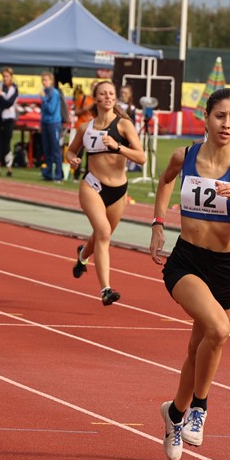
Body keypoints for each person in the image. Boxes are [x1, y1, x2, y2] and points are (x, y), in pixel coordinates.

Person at [148, 87, 230, 460]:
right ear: (206, 117)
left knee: (197, 349)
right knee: (218, 330)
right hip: (186, 261)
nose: (226, 124)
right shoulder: (184, 155)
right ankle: (199, 408)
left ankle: (174, 414)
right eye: (220, 116)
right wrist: (158, 222)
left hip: (224, 267)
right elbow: (166, 180)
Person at [66, 79, 144, 306]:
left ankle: (83, 255)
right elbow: (71, 151)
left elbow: (141, 157)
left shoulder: (124, 125)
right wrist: (72, 159)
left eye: (111, 93)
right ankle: (106, 290)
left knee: (102, 235)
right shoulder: (85, 128)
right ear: (96, 98)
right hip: (93, 185)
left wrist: (118, 146)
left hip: (118, 190)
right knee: (103, 232)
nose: (108, 96)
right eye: (103, 93)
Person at [0, 67, 19, 177]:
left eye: (7, 76)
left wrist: (0, 94)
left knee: (6, 143)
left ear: (11, 77)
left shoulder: (14, 88)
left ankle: (8, 167)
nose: (5, 78)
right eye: (4, 76)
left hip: (8, 118)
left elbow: (8, 103)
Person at [39, 71, 65, 182]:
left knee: (55, 149)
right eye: (43, 80)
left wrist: (44, 99)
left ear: (51, 81)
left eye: (46, 80)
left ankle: (59, 174)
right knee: (47, 149)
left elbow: (51, 109)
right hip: (45, 123)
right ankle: (48, 173)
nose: (44, 82)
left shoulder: (54, 93)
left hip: (54, 123)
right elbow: (44, 111)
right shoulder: (45, 92)